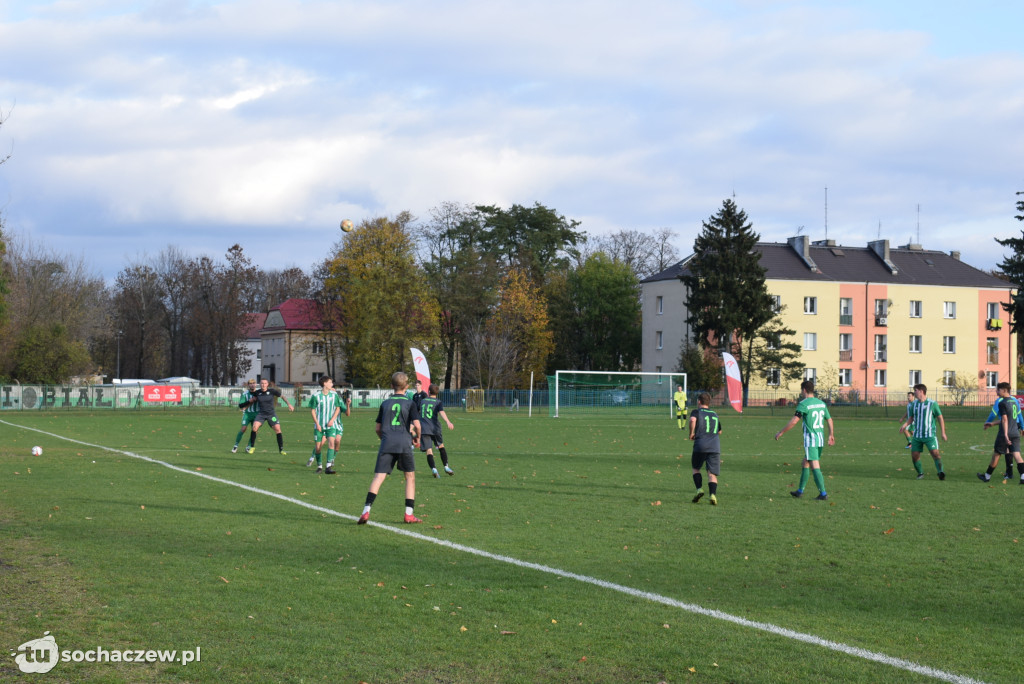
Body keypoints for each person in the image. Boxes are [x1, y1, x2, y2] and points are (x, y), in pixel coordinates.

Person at [358, 372, 423, 525]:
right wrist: (417, 437)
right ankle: (409, 515)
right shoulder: (410, 403)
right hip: (404, 443)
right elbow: (418, 425)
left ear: (392, 386)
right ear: (407, 387)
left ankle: (366, 510)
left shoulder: (385, 403)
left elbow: (377, 428)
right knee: (410, 477)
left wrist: (384, 439)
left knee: (378, 478)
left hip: (387, 443)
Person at [775, 379, 834, 500]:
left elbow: (794, 421)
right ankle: (800, 491)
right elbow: (829, 419)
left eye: (802, 390)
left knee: (815, 465)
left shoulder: (804, 404)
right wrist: (831, 434)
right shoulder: (821, 403)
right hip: (820, 439)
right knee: (805, 462)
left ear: (804, 390)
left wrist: (781, 431)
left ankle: (823, 494)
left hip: (811, 440)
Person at [978, 382, 1024, 484]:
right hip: (1015, 432)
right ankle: (1023, 477)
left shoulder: (1002, 402)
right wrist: (993, 424)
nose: (996, 391)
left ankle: (987, 476)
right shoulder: (1014, 402)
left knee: (996, 454)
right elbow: (1013, 418)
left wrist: (1006, 435)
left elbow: (1004, 419)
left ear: (1004, 390)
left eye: (998, 389)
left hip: (1005, 433)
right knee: (1017, 455)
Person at [899, 383, 947, 480]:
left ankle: (940, 472)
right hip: (917, 435)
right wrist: (905, 425)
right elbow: (911, 417)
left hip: (930, 435)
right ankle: (920, 473)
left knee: (935, 453)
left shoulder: (932, 404)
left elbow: (940, 418)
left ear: (921, 391)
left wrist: (943, 432)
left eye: (915, 390)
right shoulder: (914, 404)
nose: (914, 392)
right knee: (915, 455)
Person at [307, 376, 347, 474]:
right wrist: (317, 424)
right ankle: (319, 466)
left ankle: (328, 466)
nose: (332, 384)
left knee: (331, 443)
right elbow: (312, 410)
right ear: (324, 383)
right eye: (330, 382)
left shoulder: (334, 395)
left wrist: (332, 420)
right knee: (318, 448)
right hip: (319, 426)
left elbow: (338, 408)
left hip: (330, 426)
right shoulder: (316, 396)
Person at [244, 379, 295, 455]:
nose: (263, 385)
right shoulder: (257, 393)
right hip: (261, 414)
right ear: (260, 384)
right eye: (262, 383)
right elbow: (252, 401)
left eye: (265, 383)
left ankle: (281, 450)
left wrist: (289, 404)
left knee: (278, 429)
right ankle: (252, 447)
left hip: (271, 414)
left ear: (267, 384)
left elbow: (282, 396)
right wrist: (245, 408)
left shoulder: (272, 391)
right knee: (254, 427)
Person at [688, 392, 722, 505]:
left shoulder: (696, 412)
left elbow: (692, 420)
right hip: (715, 446)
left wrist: (691, 433)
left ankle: (699, 489)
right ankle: (713, 495)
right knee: (712, 473)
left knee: (696, 468)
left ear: (699, 401)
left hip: (701, 444)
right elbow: (720, 431)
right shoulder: (715, 414)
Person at [419, 383, 455, 478]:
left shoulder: (422, 401)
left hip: (424, 428)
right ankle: (446, 466)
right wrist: (448, 421)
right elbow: (441, 412)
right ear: (437, 393)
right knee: (441, 446)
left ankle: (434, 469)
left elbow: (418, 413)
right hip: (435, 428)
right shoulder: (438, 402)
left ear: (429, 391)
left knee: (429, 450)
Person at [232, 379, 259, 453]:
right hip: (247, 414)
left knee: (255, 430)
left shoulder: (259, 393)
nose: (252, 385)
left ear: (256, 384)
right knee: (243, 428)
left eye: (254, 383)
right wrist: (249, 401)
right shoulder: (245, 394)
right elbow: (240, 405)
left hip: (257, 414)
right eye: (251, 383)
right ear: (248, 385)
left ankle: (249, 446)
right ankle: (236, 445)